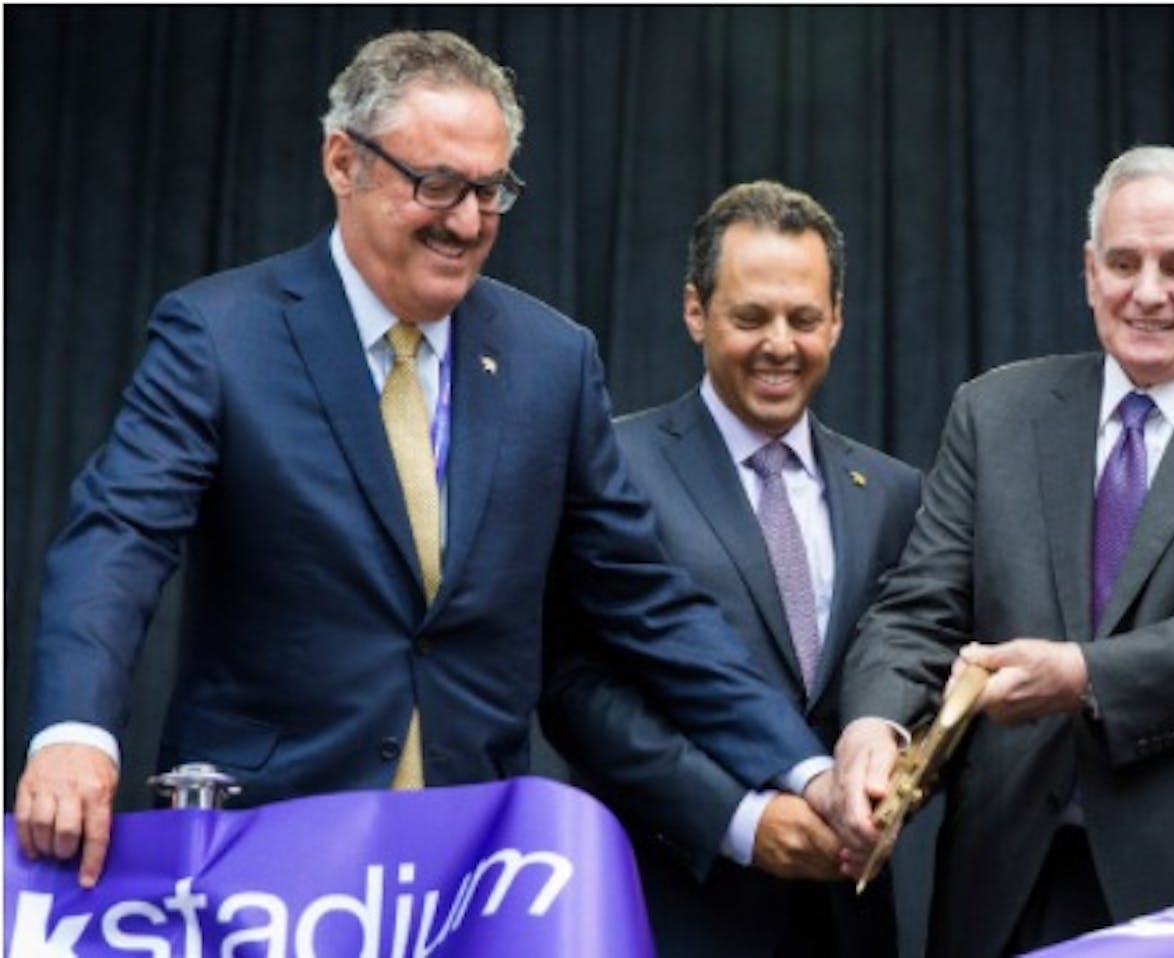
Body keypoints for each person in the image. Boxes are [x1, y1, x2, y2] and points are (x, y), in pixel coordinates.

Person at [13, 30, 840, 889]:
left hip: (469, 865)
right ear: (344, 162)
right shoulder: (221, 336)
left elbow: (645, 602)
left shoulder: (552, 360)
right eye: (437, 184)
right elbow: (121, 534)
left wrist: (802, 768)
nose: (468, 221)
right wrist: (74, 732)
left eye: (490, 189)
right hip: (265, 856)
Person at [828, 145, 1174, 957]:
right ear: (1090, 273)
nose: (1147, 292)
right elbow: (918, 609)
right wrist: (873, 726)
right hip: (1020, 883)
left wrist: (1083, 676)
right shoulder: (996, 412)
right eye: (1123, 262)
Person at [541, 181, 921, 957]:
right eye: (750, 317)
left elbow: (914, 670)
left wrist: (891, 791)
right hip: (670, 910)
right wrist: (739, 821)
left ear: (837, 319)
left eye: (804, 318)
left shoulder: (894, 492)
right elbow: (574, 688)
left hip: (848, 922)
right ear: (695, 310)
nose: (779, 344)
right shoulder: (614, 467)